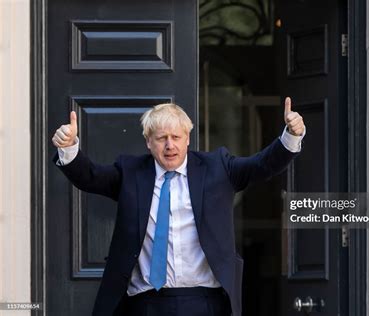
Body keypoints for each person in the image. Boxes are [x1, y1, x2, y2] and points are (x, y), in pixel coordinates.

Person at [52, 97, 305, 316]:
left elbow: (261, 165)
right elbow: (91, 177)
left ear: (187, 139)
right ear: (148, 142)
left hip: (204, 301)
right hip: (145, 303)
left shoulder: (218, 167)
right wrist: (69, 147)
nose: (169, 145)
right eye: (161, 138)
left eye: (176, 137)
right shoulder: (130, 172)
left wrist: (291, 136)